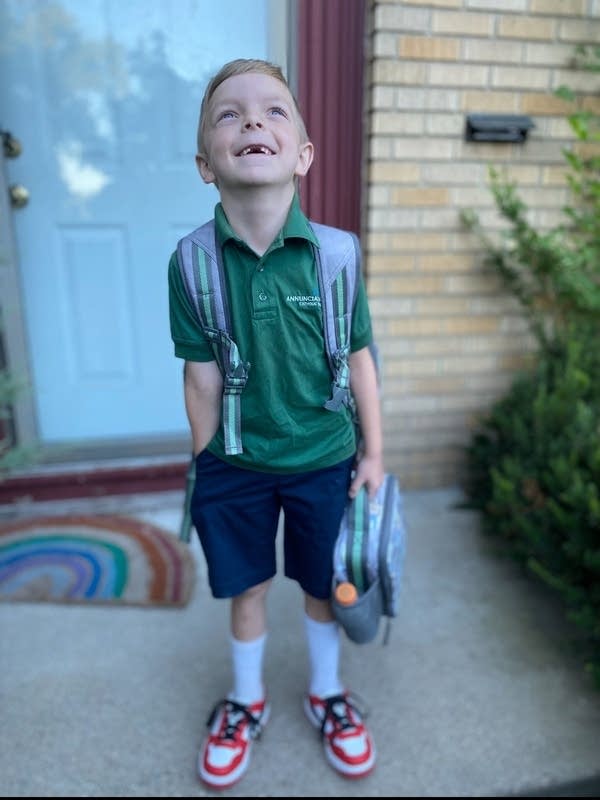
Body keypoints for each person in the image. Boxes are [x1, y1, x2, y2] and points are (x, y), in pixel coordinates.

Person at [168, 57, 384, 790]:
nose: (252, 120)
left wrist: (374, 454)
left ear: (303, 155)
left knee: (323, 586)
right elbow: (199, 375)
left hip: (325, 457)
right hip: (235, 464)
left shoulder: (337, 256)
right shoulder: (191, 263)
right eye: (229, 114)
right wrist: (207, 463)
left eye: (272, 111)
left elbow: (360, 360)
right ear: (206, 164)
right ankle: (246, 700)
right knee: (249, 587)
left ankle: (326, 692)